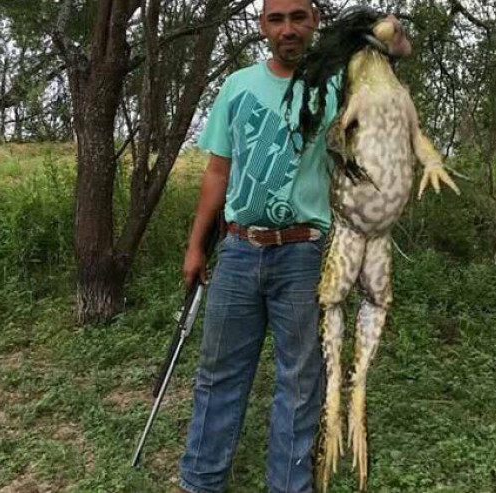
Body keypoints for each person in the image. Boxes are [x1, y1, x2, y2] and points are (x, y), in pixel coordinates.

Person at [174, 0, 339, 492]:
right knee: (218, 373)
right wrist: (196, 245)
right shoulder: (238, 86)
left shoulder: (335, 87)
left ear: (314, 21)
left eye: (298, 17)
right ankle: (201, 481)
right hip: (239, 249)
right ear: (262, 25)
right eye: (276, 19)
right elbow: (218, 171)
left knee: (300, 381)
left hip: (304, 253)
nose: (288, 29)